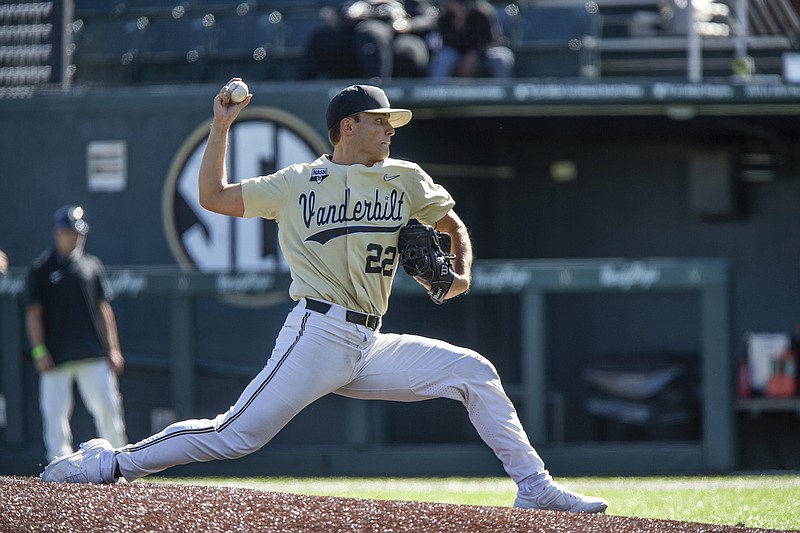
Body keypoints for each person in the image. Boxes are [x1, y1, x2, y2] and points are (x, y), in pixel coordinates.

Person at [41, 82, 608, 513]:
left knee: (474, 373)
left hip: (369, 341)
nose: (390, 129)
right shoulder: (297, 183)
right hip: (317, 332)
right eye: (379, 121)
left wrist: (460, 271)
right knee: (233, 435)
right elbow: (212, 196)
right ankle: (109, 463)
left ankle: (534, 486)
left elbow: (453, 225)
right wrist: (221, 126)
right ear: (347, 126)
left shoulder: (404, 177)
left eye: (392, 122)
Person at [26, 205, 128, 462]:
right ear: (57, 232)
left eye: (78, 232)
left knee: (108, 411)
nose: (75, 237)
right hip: (56, 357)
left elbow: (104, 310)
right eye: (69, 231)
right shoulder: (40, 269)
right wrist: (39, 351)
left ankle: (119, 464)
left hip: (93, 355)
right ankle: (58, 469)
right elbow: (33, 315)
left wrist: (113, 349)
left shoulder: (92, 266)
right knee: (55, 419)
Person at [300, 0, 436, 81]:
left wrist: (408, 25)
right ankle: (301, 91)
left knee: (372, 33)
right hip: (352, 33)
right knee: (321, 38)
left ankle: (379, 89)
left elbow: (429, 17)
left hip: (392, 35)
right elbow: (333, 12)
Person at [428, 0, 515, 81]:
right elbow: (446, 43)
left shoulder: (482, 14)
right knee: (445, 56)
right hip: (456, 54)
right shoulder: (445, 18)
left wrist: (475, 53)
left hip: (481, 54)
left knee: (502, 58)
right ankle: (435, 93)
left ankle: (503, 93)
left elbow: (491, 40)